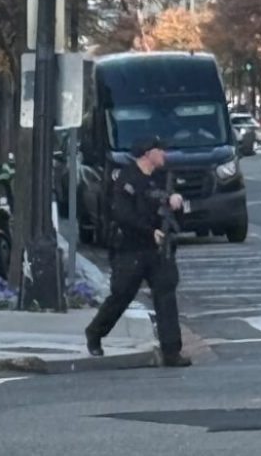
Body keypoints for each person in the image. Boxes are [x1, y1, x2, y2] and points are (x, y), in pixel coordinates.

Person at [85, 136, 191, 367]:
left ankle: (171, 351)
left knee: (165, 295)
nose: (164, 154)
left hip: (159, 249)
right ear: (147, 153)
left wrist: (177, 203)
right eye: (159, 150)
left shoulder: (163, 179)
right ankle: (95, 333)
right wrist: (149, 232)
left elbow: (175, 215)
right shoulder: (127, 179)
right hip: (131, 249)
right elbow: (123, 215)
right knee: (122, 295)